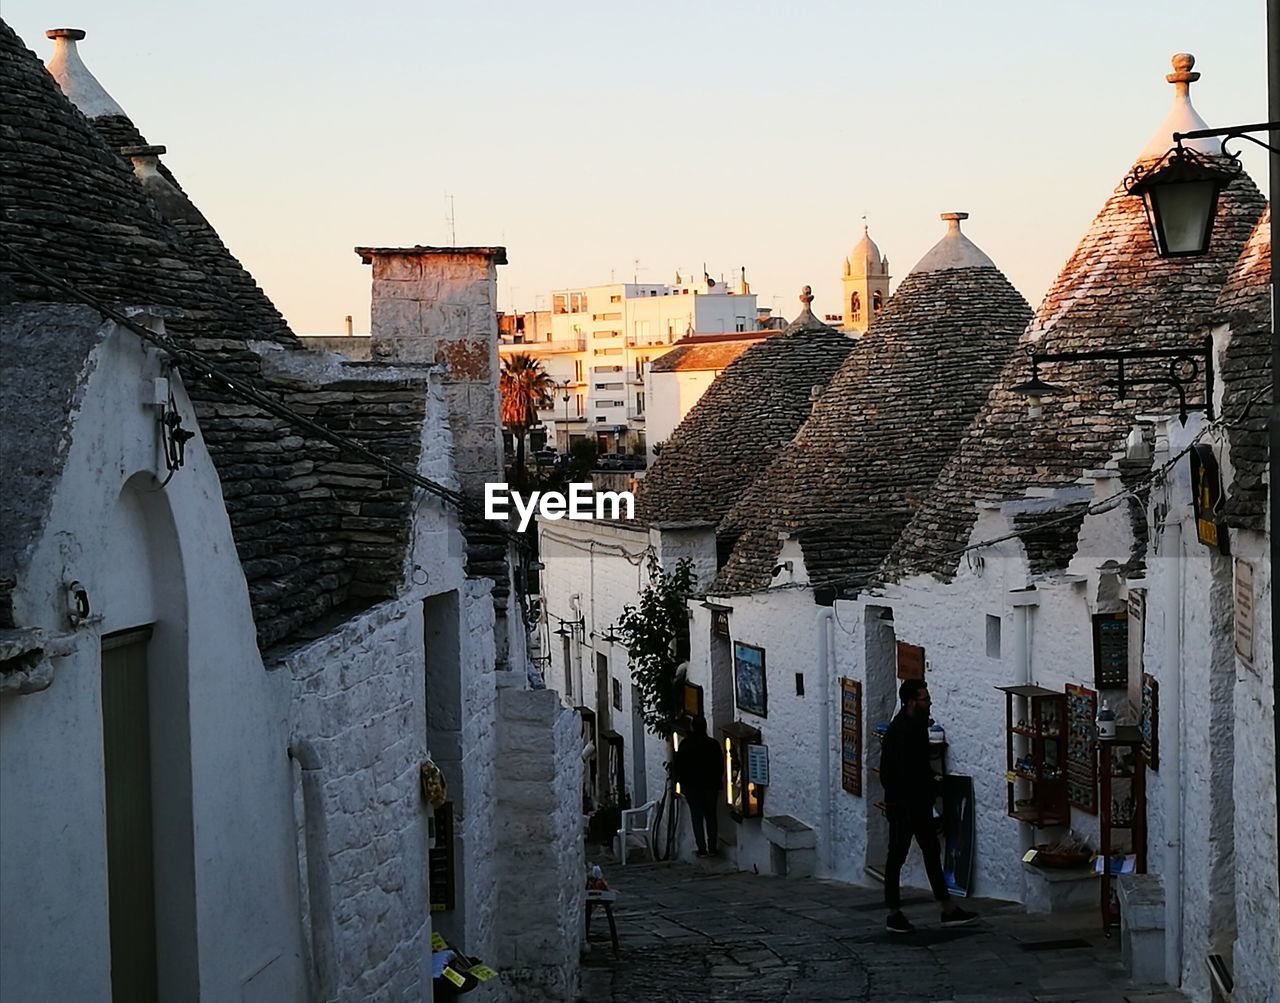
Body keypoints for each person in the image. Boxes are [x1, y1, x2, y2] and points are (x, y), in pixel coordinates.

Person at [879, 678, 979, 934]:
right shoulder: (900, 731)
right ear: (912, 701)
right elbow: (895, 772)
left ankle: (946, 907)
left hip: (918, 804)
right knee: (896, 857)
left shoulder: (915, 726)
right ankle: (893, 912)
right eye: (925, 698)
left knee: (932, 853)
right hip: (904, 805)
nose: (929, 702)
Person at [672, 715, 723, 857]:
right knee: (711, 816)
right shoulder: (713, 744)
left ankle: (702, 849)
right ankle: (712, 847)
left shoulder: (686, 744)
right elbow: (720, 765)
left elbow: (679, 766)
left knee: (697, 817)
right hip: (710, 787)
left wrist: (681, 783)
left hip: (693, 787)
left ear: (692, 727)